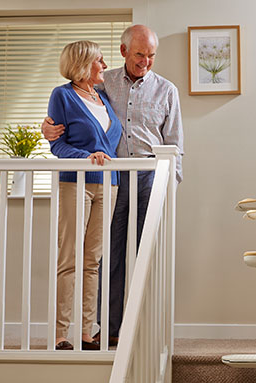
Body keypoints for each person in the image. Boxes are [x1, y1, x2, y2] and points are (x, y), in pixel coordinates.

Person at [43, 25, 184, 347]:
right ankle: (108, 329)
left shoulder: (166, 90)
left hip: (148, 177)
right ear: (124, 52)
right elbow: (71, 112)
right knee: (109, 256)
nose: (145, 61)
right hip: (112, 179)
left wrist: (171, 183)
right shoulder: (105, 84)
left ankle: (147, 328)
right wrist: (47, 127)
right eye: (139, 54)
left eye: (150, 56)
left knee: (148, 254)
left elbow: (176, 144)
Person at [47, 40, 122, 350]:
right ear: (82, 64)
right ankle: (60, 334)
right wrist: (85, 156)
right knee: (70, 259)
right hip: (75, 182)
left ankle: (86, 332)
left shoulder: (104, 97)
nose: (104, 66)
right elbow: (57, 146)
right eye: (99, 61)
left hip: (110, 184)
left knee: (93, 262)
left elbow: (110, 142)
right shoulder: (62, 95)